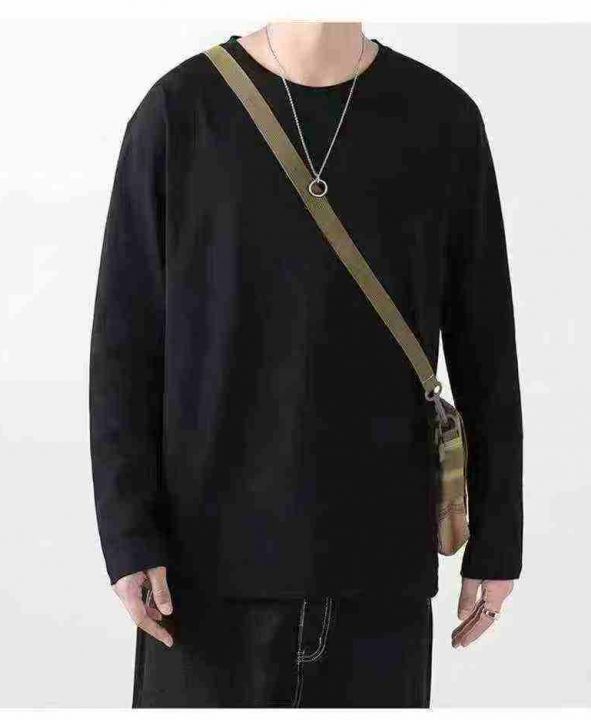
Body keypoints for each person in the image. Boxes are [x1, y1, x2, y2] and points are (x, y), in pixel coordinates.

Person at [89, 22, 523, 708]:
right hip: (202, 584)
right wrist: (128, 534)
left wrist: (497, 539)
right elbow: (124, 345)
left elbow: (485, 346)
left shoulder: (442, 120)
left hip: (381, 582)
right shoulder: (180, 112)